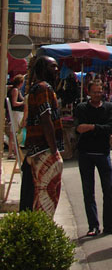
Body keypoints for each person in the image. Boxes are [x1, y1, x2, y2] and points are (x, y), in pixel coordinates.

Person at [74, 78, 112, 237]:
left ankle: (109, 224)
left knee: (108, 190)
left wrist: (91, 127)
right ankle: (93, 225)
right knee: (88, 191)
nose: (97, 95)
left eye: (99, 92)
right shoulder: (81, 108)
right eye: (94, 92)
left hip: (103, 153)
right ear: (88, 92)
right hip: (85, 153)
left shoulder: (109, 108)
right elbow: (78, 128)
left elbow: (110, 128)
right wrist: (98, 128)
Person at [24, 56, 64, 218]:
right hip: (44, 149)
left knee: (40, 193)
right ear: (42, 69)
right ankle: (44, 227)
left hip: (38, 148)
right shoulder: (43, 88)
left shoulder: (38, 87)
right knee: (47, 194)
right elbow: (45, 118)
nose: (56, 69)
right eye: (52, 66)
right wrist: (54, 150)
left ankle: (39, 226)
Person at [7, 74, 25, 159]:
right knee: (14, 133)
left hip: (17, 113)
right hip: (16, 113)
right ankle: (12, 152)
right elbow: (14, 103)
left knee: (14, 133)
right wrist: (23, 103)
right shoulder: (15, 90)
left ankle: (14, 151)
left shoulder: (16, 89)